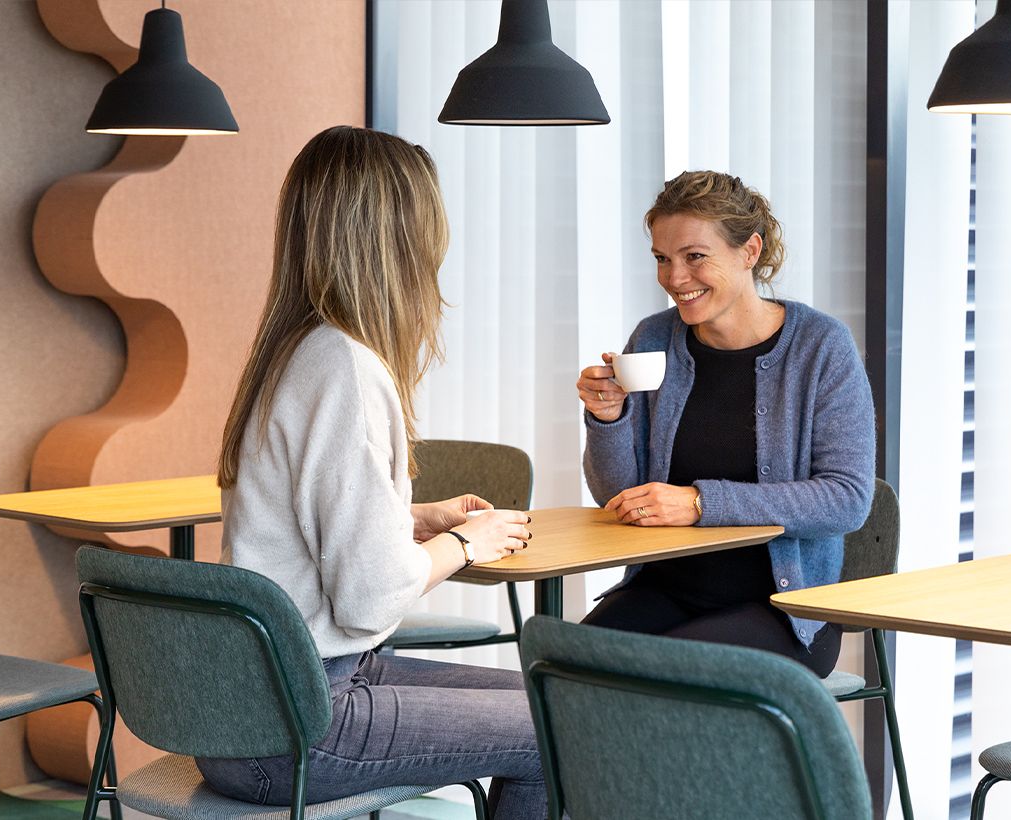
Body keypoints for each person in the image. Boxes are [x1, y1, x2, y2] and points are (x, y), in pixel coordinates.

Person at [201, 126, 545, 819]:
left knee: (551, 702)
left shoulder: (298, 351)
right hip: (298, 725)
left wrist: (418, 519)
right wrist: (464, 545)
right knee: (558, 728)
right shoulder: (346, 368)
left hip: (252, 704)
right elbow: (368, 599)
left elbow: (306, 523)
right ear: (398, 236)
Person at [576, 170, 876, 678]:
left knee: (658, 677)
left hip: (785, 609)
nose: (674, 278)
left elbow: (847, 499)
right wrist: (609, 419)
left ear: (750, 250)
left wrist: (699, 503)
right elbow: (621, 498)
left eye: (695, 257)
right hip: (665, 590)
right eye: (662, 259)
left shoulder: (821, 347)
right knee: (562, 668)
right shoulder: (653, 338)